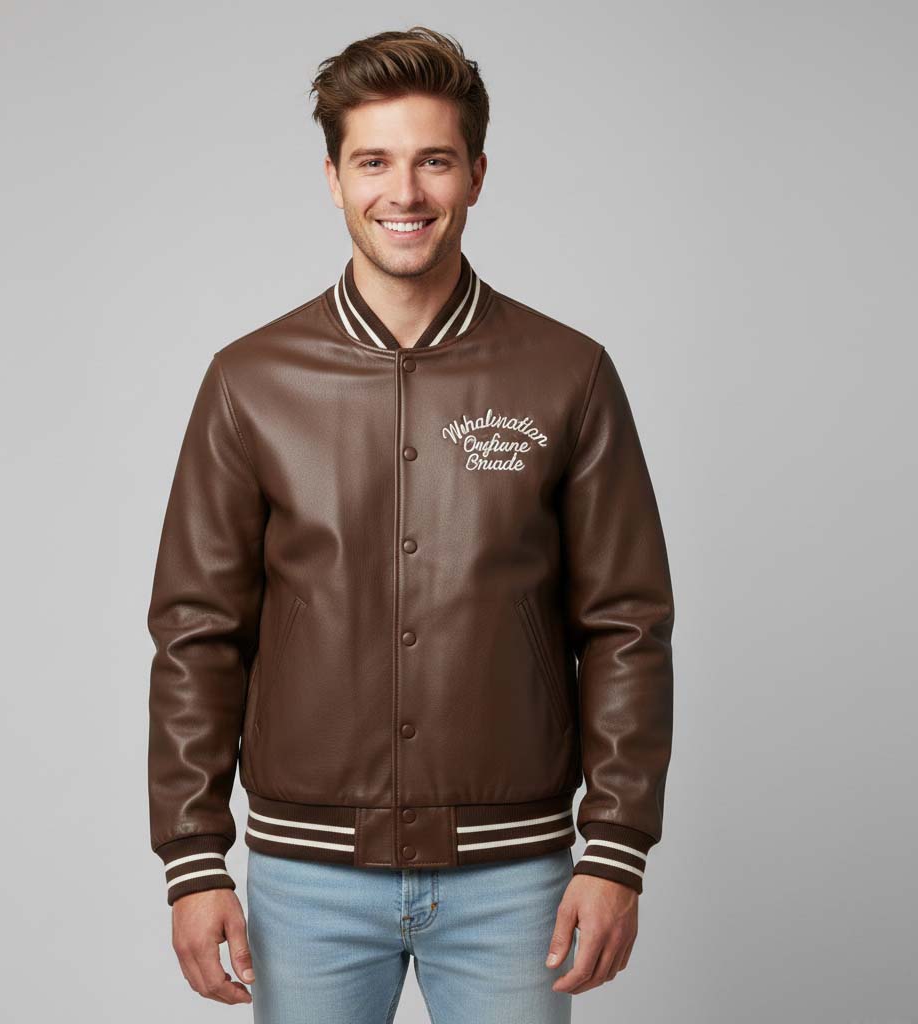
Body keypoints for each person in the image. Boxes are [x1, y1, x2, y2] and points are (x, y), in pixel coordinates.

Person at [146, 25, 674, 1023]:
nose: (405, 192)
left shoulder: (568, 375)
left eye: (433, 160)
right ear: (333, 179)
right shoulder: (250, 383)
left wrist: (615, 846)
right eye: (374, 162)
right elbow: (195, 632)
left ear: (476, 175)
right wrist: (192, 856)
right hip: (306, 881)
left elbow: (627, 623)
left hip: (515, 879)